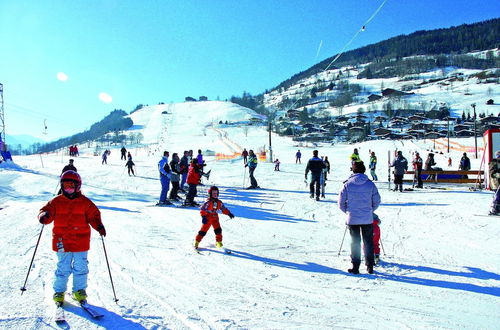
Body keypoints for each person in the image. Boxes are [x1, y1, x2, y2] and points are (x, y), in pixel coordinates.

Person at [38, 170, 106, 305]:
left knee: (81, 267)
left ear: (78, 186)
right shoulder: (56, 202)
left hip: (80, 241)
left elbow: (94, 216)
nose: (68, 189)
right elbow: (46, 211)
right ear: (61, 186)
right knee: (63, 267)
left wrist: (99, 226)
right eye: (65, 186)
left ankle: (79, 291)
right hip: (61, 240)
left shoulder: (85, 202)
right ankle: (59, 291)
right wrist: (43, 215)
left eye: (71, 186)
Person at [338, 161, 381, 274]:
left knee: (355, 242)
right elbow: (377, 200)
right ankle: (370, 266)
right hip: (367, 217)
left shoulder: (347, 184)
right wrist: (370, 210)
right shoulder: (370, 184)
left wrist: (348, 211)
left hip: (353, 218)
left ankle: (355, 266)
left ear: (353, 170)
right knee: (368, 242)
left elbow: (341, 203)